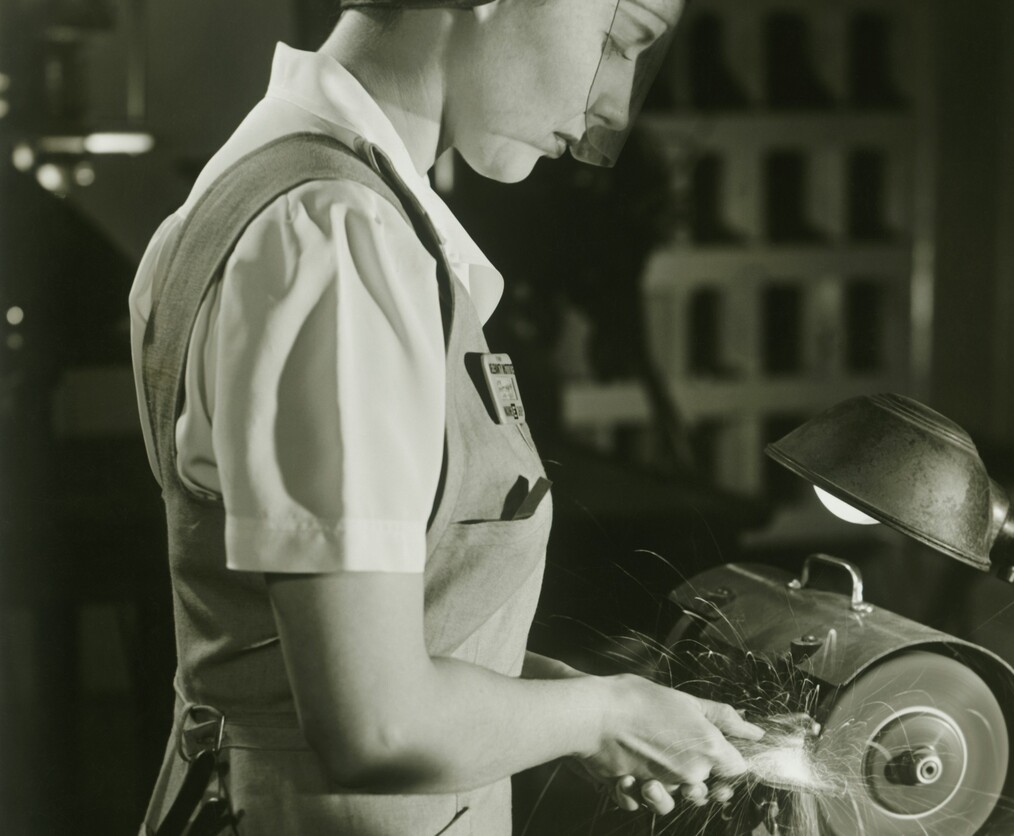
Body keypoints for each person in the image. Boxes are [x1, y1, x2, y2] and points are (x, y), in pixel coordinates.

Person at [128, 1, 763, 834]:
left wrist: (577, 708)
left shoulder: (268, 185)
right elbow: (376, 725)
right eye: (616, 39)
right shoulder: (337, 237)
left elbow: (332, 648)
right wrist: (606, 714)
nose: (610, 108)